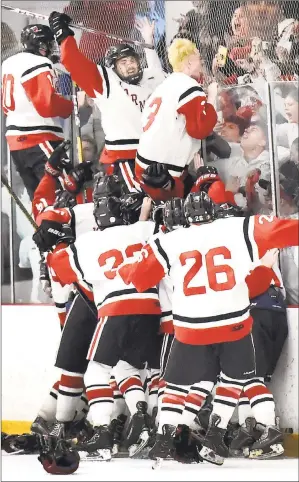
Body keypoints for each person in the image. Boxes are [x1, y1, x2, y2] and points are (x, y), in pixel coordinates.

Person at [118, 192, 299, 464]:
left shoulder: (167, 241)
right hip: (233, 324)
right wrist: (264, 268)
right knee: (237, 378)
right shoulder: (237, 227)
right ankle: (216, 433)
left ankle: (164, 436)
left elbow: (139, 279)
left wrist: (125, 267)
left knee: (176, 384)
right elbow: (282, 232)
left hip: (191, 327)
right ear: (212, 212)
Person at [47, 188, 162, 461]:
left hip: (116, 308)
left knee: (96, 372)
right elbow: (156, 230)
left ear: (97, 222)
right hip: (151, 307)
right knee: (126, 367)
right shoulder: (144, 231)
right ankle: (142, 417)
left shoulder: (87, 243)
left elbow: (59, 270)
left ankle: (101, 434)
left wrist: (58, 244)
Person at [48, 11, 166, 194]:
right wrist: (64, 36)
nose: (130, 65)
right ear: (114, 68)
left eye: (132, 60)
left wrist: (148, 42)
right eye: (123, 63)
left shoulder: (149, 79)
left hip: (154, 153)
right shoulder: (107, 83)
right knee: (139, 199)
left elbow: (156, 71)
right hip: (124, 158)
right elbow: (74, 62)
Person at [135, 38, 218, 201]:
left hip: (143, 163)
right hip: (163, 172)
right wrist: (212, 97)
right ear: (188, 63)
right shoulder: (189, 86)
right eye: (198, 59)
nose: (201, 63)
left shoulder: (164, 86)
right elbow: (199, 130)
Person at [1, 24, 73, 200]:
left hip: (17, 143)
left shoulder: (9, 62)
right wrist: (70, 106)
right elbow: (47, 104)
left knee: (40, 201)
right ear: (41, 45)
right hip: (39, 138)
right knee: (63, 196)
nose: (51, 47)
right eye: (49, 43)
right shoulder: (38, 62)